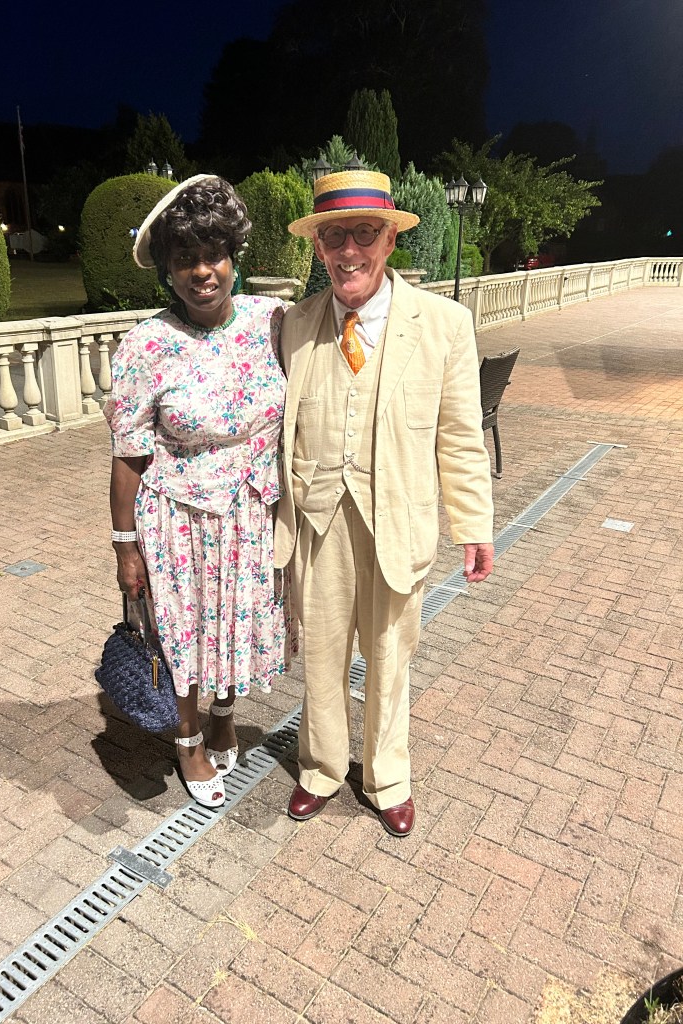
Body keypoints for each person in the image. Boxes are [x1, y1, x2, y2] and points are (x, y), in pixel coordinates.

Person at [274, 169, 494, 837]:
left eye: (365, 234)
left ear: (390, 240)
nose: (349, 251)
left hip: (397, 518)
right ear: (318, 247)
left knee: (392, 656)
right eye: (334, 236)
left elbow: (461, 435)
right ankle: (320, 767)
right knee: (321, 658)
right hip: (316, 520)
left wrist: (474, 524)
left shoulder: (445, 325)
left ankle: (388, 776)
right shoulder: (295, 324)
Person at [104, 174, 296, 809]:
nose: (201, 272)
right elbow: (129, 454)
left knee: (236, 622)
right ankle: (188, 740)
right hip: (178, 519)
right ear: (168, 270)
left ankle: (224, 716)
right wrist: (125, 546)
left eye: (213, 254)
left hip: (251, 512)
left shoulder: (273, 323)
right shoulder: (147, 345)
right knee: (185, 631)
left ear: (233, 256)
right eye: (185, 259)